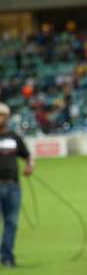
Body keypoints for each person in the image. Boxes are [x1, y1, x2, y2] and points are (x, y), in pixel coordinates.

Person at [0, 103, 34, 267]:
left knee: (11, 223)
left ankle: (6, 256)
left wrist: (29, 166)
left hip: (13, 186)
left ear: (7, 117)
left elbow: (27, 155)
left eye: (2, 115)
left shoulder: (14, 137)